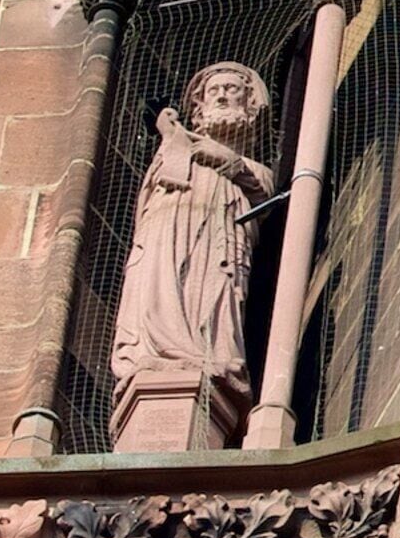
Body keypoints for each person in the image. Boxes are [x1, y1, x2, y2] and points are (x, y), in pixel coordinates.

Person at [111, 61, 276, 440]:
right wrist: (172, 138)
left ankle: (210, 364)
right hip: (164, 234)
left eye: (232, 89)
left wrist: (226, 160)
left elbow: (262, 188)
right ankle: (152, 356)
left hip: (217, 243)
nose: (222, 96)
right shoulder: (175, 149)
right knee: (155, 290)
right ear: (199, 109)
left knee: (213, 296)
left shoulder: (252, 170)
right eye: (214, 91)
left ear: (249, 105)